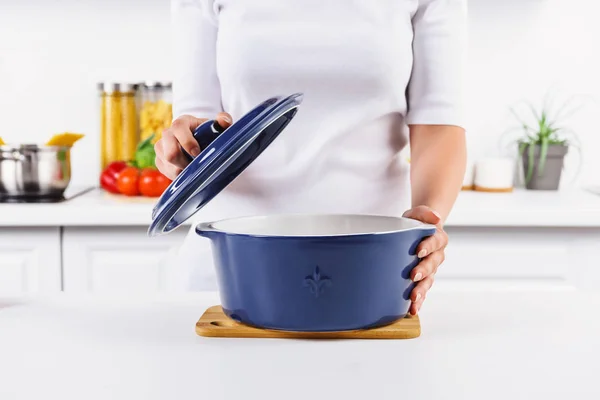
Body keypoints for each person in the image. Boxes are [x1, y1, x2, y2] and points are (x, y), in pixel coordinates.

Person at [156, 0, 467, 316]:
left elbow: (439, 126)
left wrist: (426, 223)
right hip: (233, 268)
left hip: (375, 268)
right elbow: (195, 127)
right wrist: (179, 150)